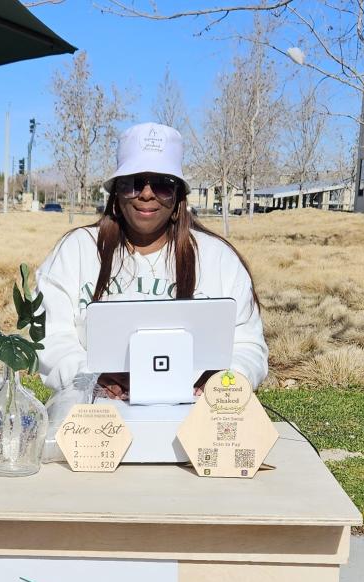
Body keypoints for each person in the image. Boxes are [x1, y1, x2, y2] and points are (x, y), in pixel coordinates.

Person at [35, 122, 267, 399]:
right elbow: (51, 340)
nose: (146, 193)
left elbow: (248, 346)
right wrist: (91, 376)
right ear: (117, 194)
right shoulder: (76, 251)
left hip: (195, 418)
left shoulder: (219, 259)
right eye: (133, 183)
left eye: (163, 184)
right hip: (96, 421)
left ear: (179, 196)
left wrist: (223, 382)